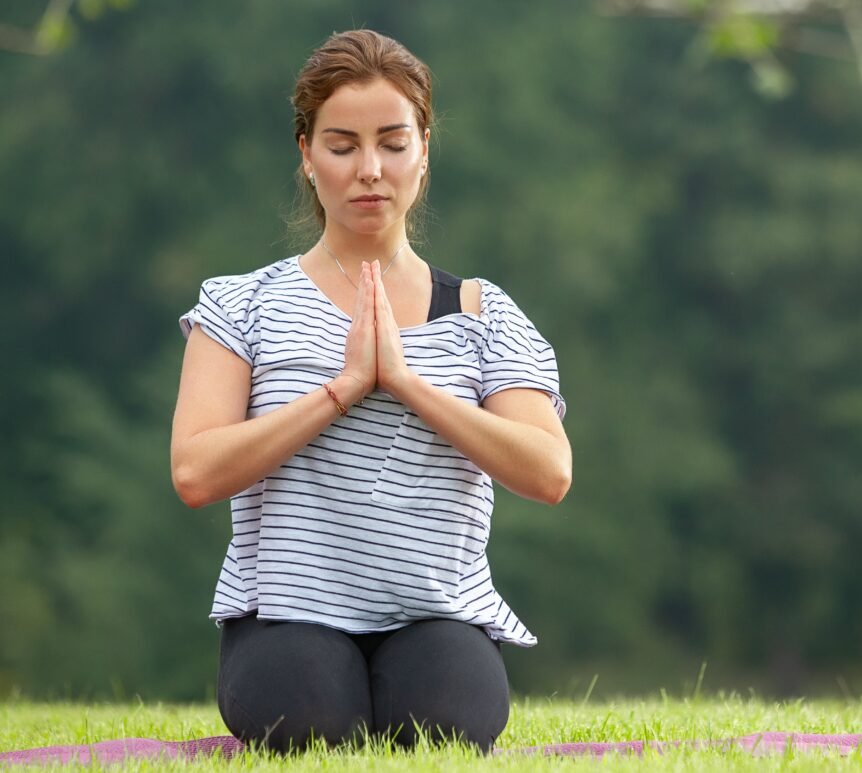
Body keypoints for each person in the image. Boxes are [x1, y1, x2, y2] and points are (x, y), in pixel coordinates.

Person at [170, 29, 571, 754]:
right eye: (342, 144)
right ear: (305, 152)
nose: (369, 170)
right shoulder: (240, 306)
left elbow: (549, 471)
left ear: (424, 149)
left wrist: (408, 383)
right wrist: (344, 388)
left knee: (443, 729)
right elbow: (195, 471)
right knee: (310, 726)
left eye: (392, 142)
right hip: (287, 616)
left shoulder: (482, 311)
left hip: (436, 615)